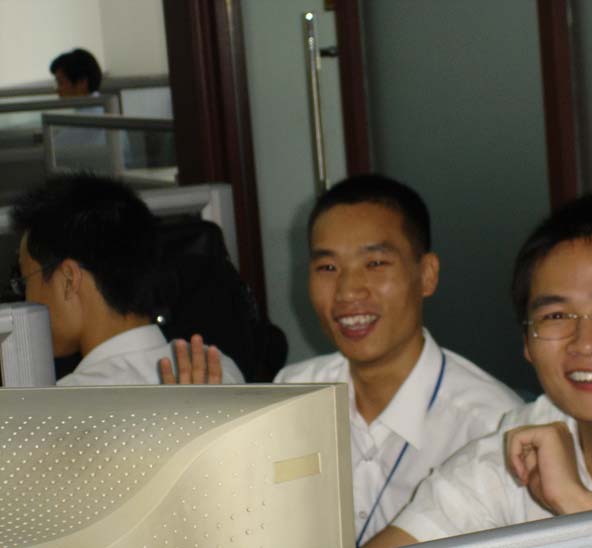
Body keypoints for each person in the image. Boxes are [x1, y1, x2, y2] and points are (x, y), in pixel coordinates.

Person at [165, 174, 523, 545]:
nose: (348, 291)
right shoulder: (294, 394)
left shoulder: (491, 426)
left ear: (427, 274)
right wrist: (202, 459)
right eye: (328, 268)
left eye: (376, 263)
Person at [364, 193, 592, 547]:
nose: (586, 342)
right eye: (556, 316)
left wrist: (578, 509)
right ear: (527, 343)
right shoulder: (519, 451)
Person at [11, 174, 244, 386]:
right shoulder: (215, 369)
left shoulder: (62, 402)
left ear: (69, 280)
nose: (26, 298)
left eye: (25, 282)